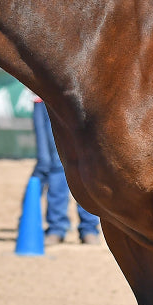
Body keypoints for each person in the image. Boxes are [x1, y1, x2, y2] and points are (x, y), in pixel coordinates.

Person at [30, 95, 100, 244]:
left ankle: (87, 227)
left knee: (85, 162)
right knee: (57, 165)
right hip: (50, 98)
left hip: (79, 96)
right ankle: (58, 227)